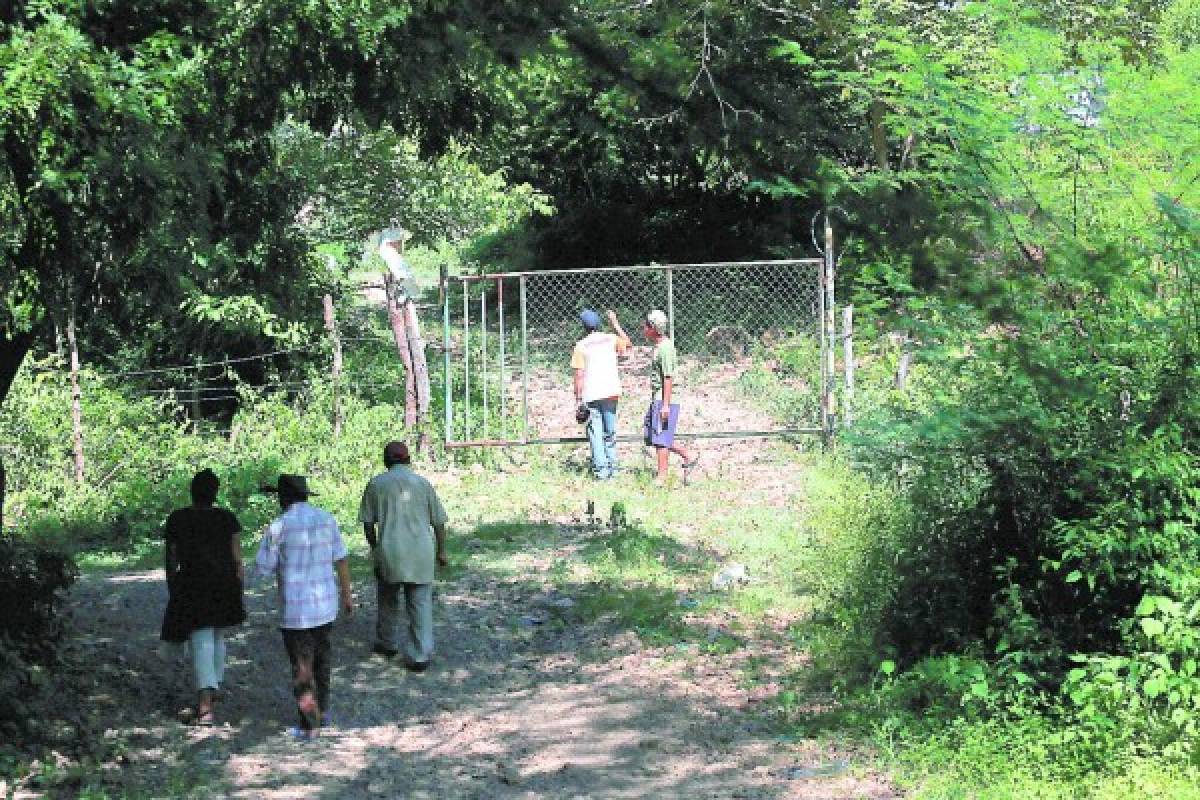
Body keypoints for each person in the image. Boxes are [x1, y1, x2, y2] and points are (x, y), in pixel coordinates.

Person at [254, 474, 354, 741]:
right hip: (325, 605)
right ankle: (323, 712)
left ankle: (310, 725)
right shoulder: (327, 519)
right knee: (323, 660)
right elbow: (341, 559)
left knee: (302, 666)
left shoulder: (279, 527)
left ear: (282, 498)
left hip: (296, 610)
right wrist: (347, 595)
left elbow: (263, 567)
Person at [160, 468, 246, 726]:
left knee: (200, 639)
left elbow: (171, 559)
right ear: (215, 493)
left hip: (192, 585)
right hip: (224, 585)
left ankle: (205, 704)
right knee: (216, 636)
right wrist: (238, 587)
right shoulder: (227, 519)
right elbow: (237, 559)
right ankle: (214, 687)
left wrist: (172, 587)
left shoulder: (177, 519)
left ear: (192, 491)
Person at [358, 441, 449, 671]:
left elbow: (368, 524)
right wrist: (441, 550)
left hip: (390, 549)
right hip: (420, 551)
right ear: (408, 459)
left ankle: (387, 643)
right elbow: (439, 522)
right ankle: (420, 655)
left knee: (387, 598)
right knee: (420, 603)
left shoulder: (376, 484)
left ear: (386, 460)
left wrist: (375, 547)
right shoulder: (422, 483)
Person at [641, 309, 700, 486]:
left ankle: (662, 477)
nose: (643, 329)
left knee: (660, 436)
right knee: (652, 434)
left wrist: (665, 405)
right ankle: (688, 455)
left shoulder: (666, 348)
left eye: (645, 326)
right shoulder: (659, 346)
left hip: (665, 398)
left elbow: (668, 377)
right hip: (658, 397)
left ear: (653, 328)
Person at [571, 308, 632, 480]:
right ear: (599, 323)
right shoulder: (611, 339)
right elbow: (628, 343)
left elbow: (579, 376)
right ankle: (614, 470)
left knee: (595, 434)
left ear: (583, 326)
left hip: (591, 394)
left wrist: (578, 399)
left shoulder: (581, 346)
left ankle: (601, 472)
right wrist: (615, 323)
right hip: (611, 391)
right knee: (610, 433)